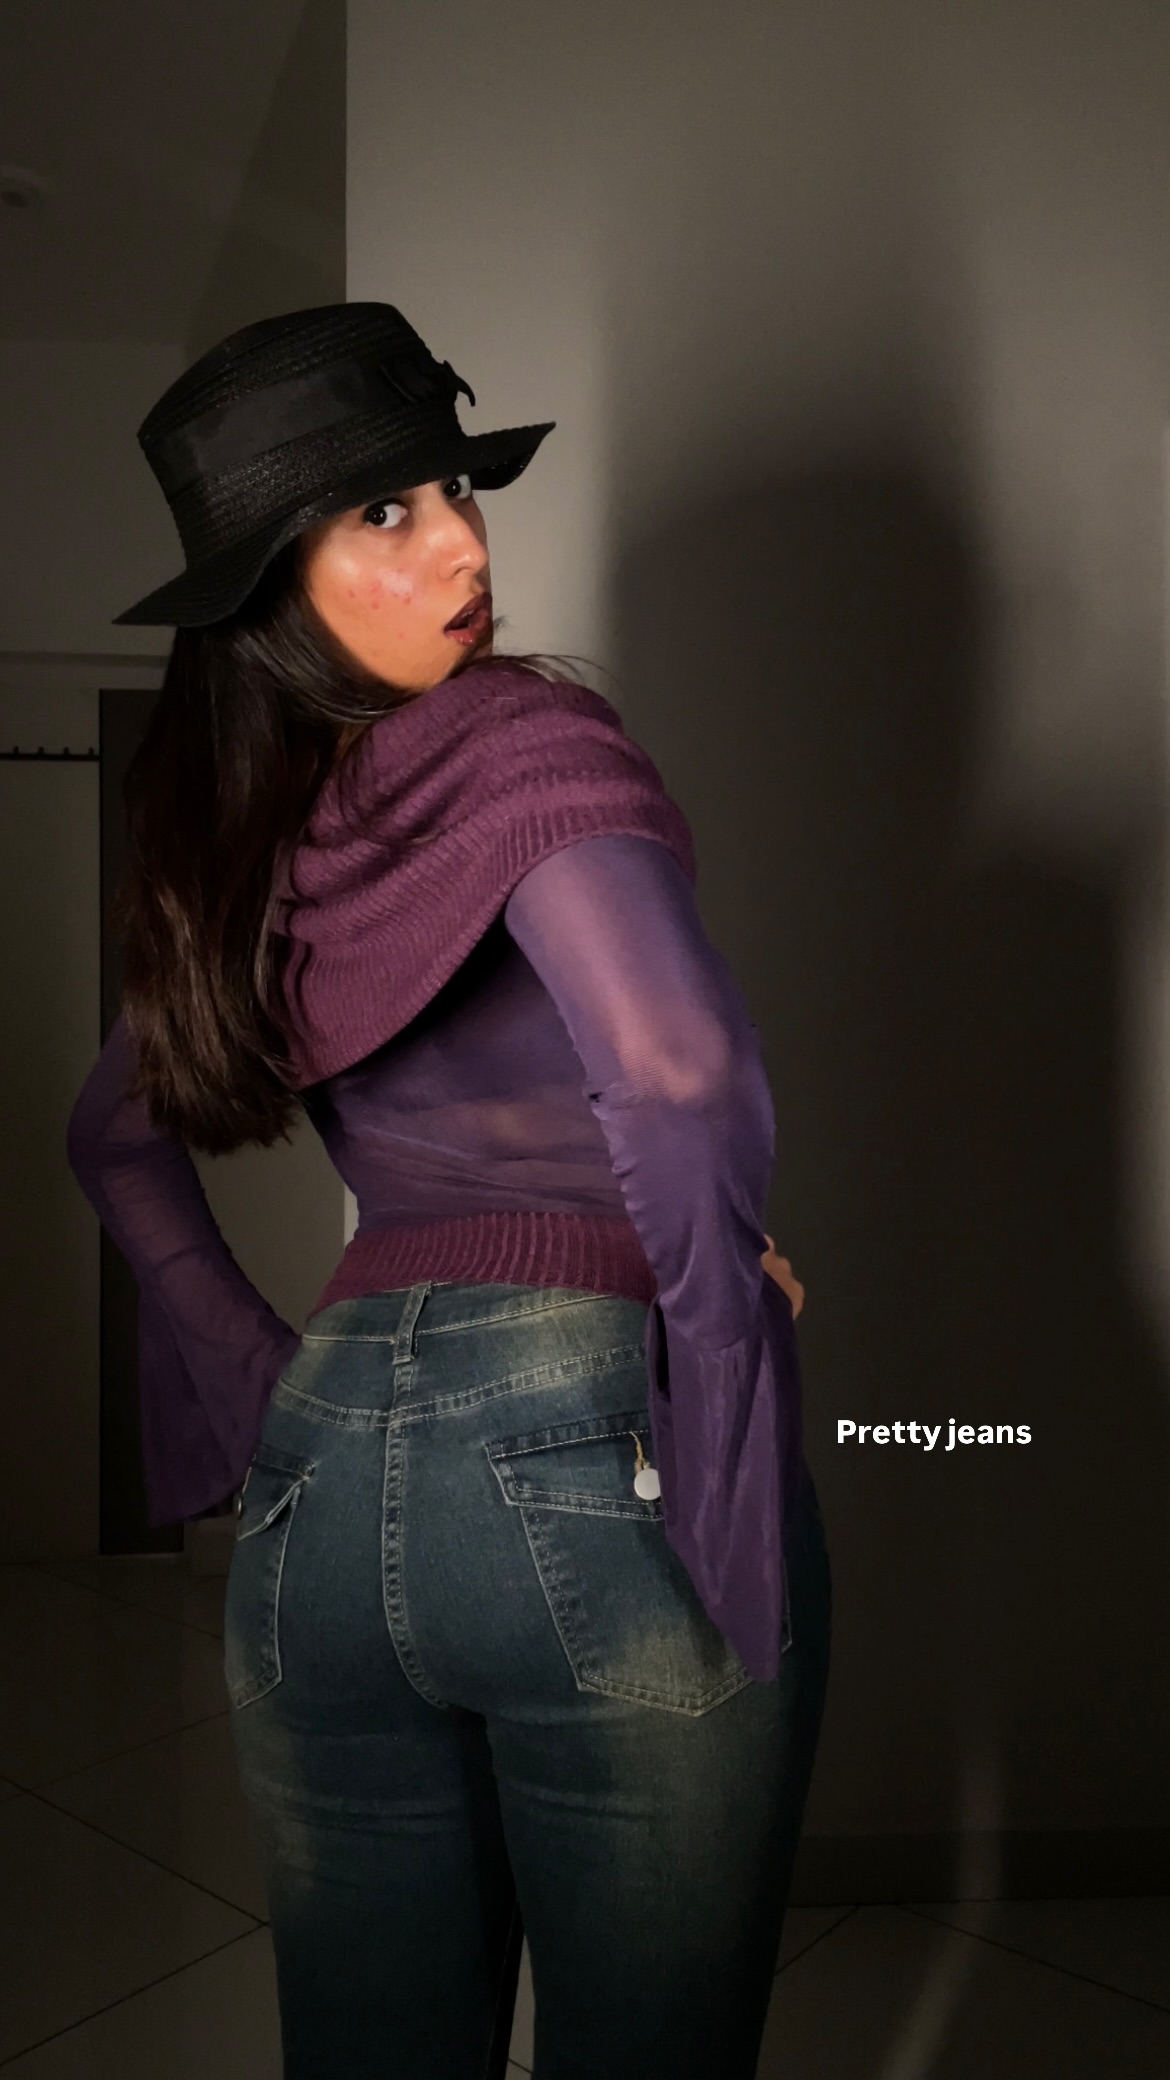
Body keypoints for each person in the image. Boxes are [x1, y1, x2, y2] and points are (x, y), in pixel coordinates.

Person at [66, 301, 832, 2080]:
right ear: (272, 590)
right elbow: (674, 1075)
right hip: (588, 1445)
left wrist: (271, 1388)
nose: (466, 546)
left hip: (320, 1487)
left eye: (453, 491)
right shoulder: (521, 742)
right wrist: (719, 1336)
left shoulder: (251, 842)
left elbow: (112, 1139)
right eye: (384, 514)